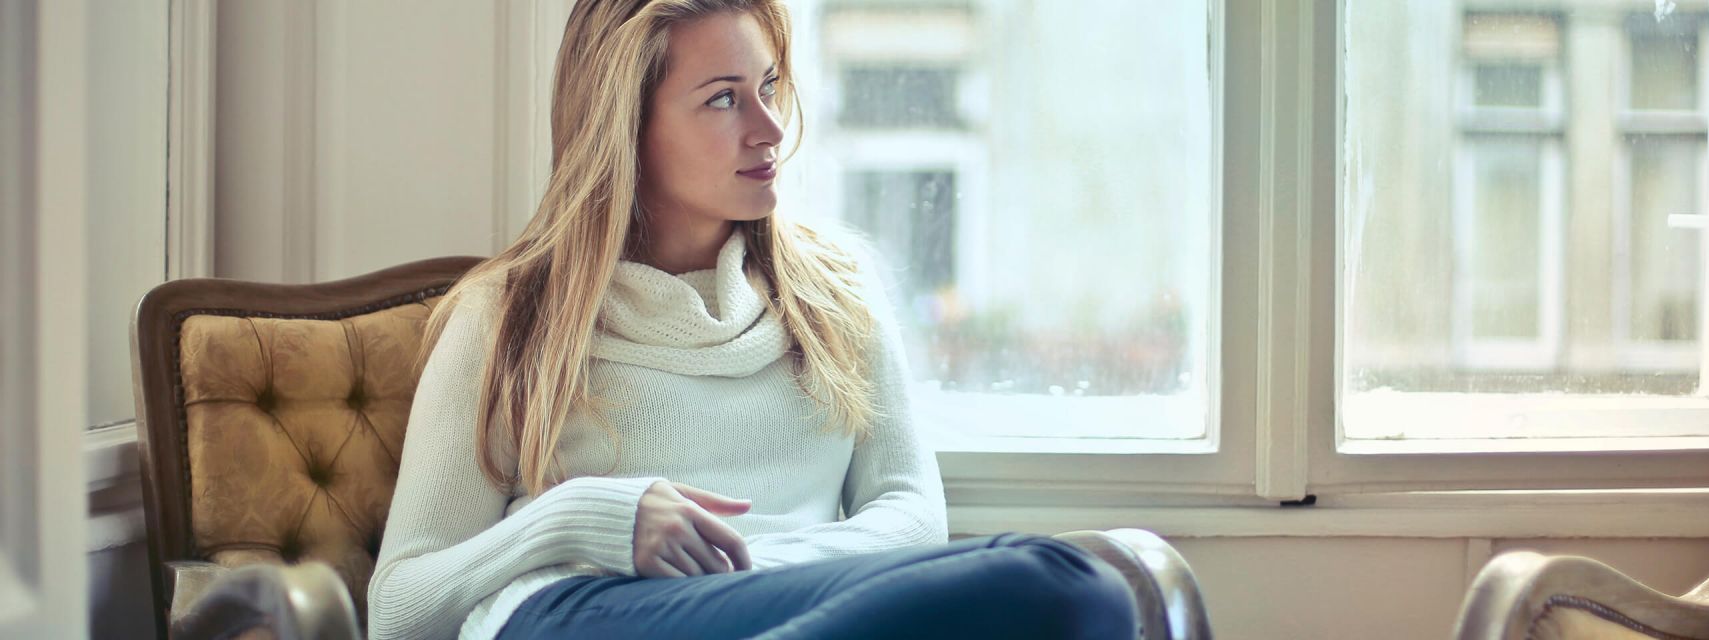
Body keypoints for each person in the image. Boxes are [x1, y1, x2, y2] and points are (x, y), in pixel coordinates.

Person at [365, 1, 1136, 638]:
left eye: (768, 86)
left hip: (797, 606)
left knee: (1081, 590)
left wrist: (753, 571)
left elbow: (911, 517)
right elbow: (399, 606)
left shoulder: (837, 291)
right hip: (582, 613)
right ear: (625, 129)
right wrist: (584, 516)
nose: (769, 129)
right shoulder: (509, 316)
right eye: (724, 98)